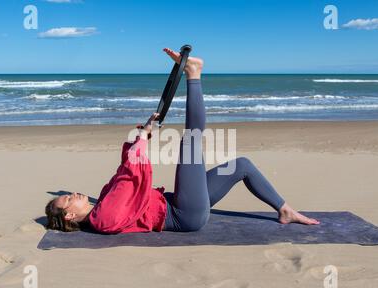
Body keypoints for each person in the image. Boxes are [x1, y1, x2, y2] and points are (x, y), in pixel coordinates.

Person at [45, 48, 320, 233]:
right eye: (68, 199)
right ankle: (194, 73)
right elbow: (129, 181)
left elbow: (123, 175)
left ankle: (285, 210)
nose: (75, 194)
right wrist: (141, 144)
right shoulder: (102, 218)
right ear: (69, 216)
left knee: (241, 165)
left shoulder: (101, 204)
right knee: (190, 142)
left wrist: (140, 139)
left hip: (179, 202)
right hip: (182, 214)